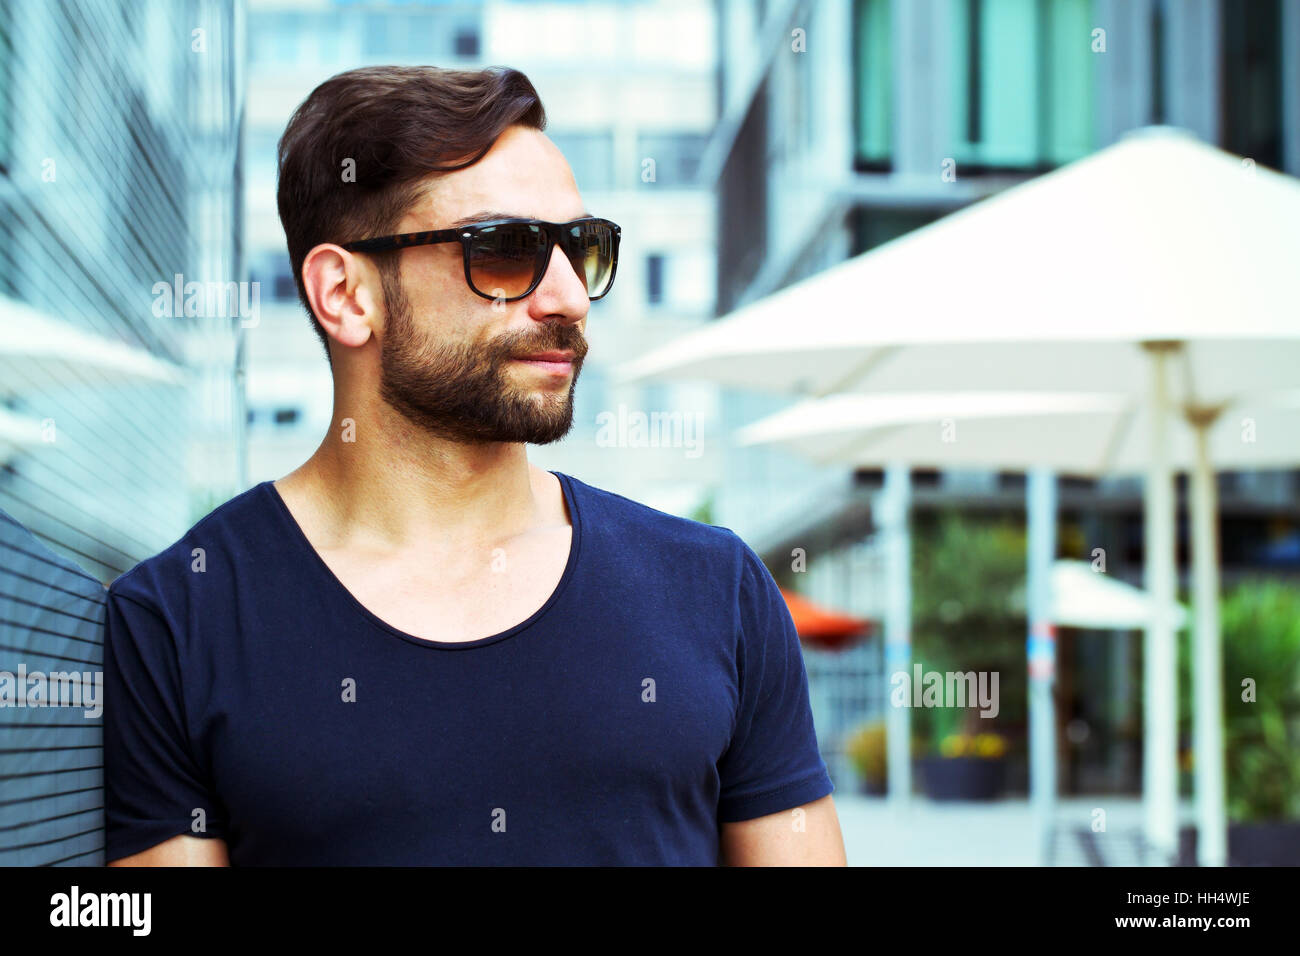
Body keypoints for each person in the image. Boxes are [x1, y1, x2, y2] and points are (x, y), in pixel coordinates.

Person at [104, 65, 845, 866]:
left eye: (581, 247)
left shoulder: (717, 590)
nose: (567, 296)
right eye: (504, 250)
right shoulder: (178, 621)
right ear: (346, 295)